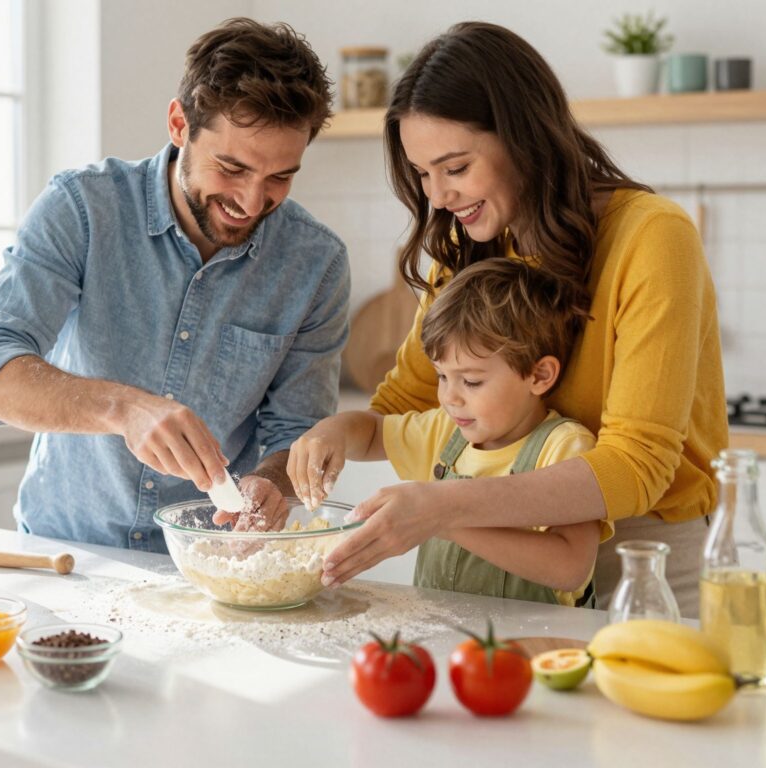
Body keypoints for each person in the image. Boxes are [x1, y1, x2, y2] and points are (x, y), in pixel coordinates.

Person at [301, 21, 727, 617]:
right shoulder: (468, 247)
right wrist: (330, 435)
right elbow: (401, 408)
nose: (437, 197)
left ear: (525, 137)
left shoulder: (652, 237)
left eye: (455, 168)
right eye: (423, 174)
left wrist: (446, 507)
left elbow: (637, 466)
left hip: (642, 559)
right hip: (497, 561)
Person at [0, 18, 350, 552]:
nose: (252, 202)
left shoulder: (316, 263)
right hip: (66, 552)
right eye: (231, 168)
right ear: (179, 124)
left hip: (206, 564)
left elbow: (297, 432)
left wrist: (272, 483)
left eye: (280, 177)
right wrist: (123, 409)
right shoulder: (83, 208)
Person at [290, 258, 608, 606]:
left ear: (539, 375)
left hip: (538, 639)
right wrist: (330, 431)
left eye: (471, 381)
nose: (449, 397)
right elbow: (371, 434)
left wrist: (440, 518)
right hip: (441, 632)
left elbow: (570, 567)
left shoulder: (565, 447)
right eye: (442, 376)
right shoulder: (445, 432)